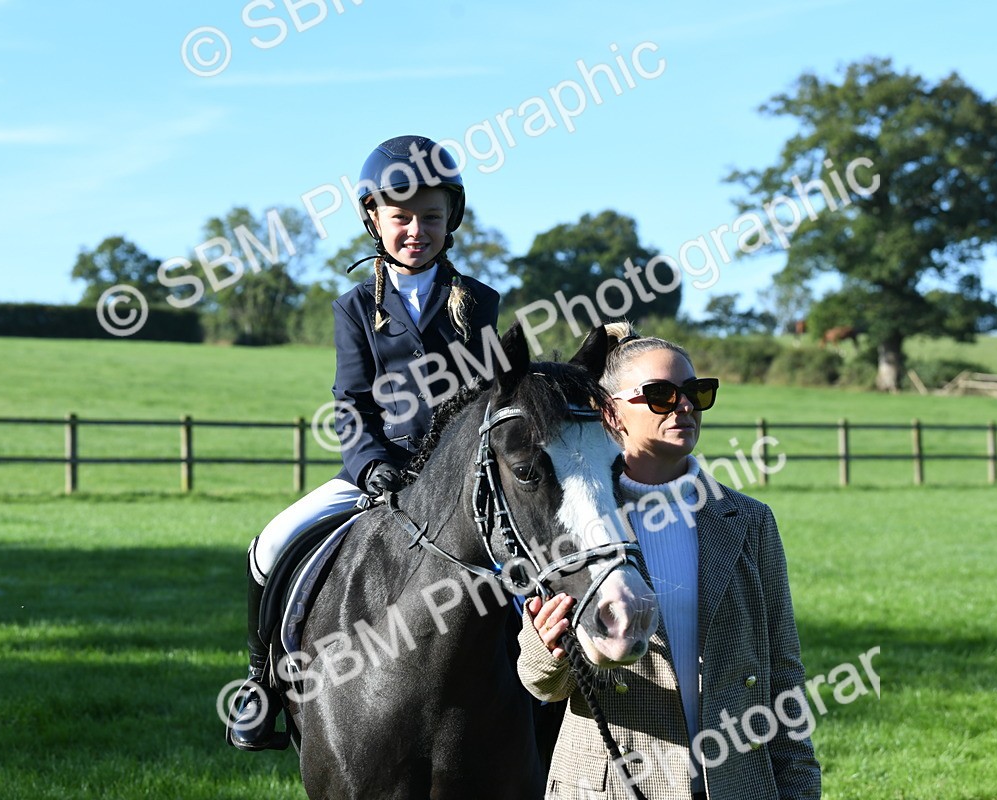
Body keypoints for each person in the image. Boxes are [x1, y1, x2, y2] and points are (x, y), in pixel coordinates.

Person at [227, 135, 500, 751]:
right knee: (272, 542)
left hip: (461, 478)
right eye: (401, 216)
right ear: (373, 218)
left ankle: (562, 686)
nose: (416, 230)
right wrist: (373, 466)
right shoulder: (354, 308)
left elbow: (488, 396)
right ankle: (261, 683)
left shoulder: (478, 303)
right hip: (375, 472)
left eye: (430, 217)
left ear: (450, 219)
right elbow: (351, 404)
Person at [518, 323, 821, 799]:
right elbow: (540, 684)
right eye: (660, 394)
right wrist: (547, 647)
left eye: (695, 392)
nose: (683, 405)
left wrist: (800, 788)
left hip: (735, 785)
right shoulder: (573, 524)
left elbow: (782, 671)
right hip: (610, 787)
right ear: (607, 410)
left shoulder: (750, 520)